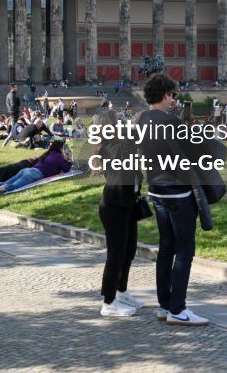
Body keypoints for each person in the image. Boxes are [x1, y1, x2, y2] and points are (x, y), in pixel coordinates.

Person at [134, 73, 223, 326]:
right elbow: (202, 151)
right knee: (185, 250)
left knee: (166, 249)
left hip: (156, 190)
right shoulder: (171, 123)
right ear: (166, 95)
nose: (173, 99)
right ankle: (178, 309)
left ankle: (164, 305)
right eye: (171, 94)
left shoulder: (140, 119)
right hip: (178, 191)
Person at [94, 110, 146, 317]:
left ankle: (121, 291)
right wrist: (133, 130)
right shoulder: (109, 148)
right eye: (119, 122)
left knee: (129, 250)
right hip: (114, 207)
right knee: (115, 255)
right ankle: (108, 302)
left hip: (128, 205)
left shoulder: (119, 145)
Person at [0, 139, 72, 196]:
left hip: (27, 170)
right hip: (34, 174)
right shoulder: (59, 157)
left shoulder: (48, 153)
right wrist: (69, 159)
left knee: (4, 183)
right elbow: (66, 169)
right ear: (60, 149)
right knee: (14, 186)